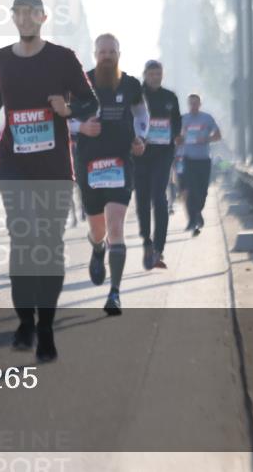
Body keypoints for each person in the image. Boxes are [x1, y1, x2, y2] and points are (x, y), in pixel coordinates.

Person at [0, 0, 98, 362]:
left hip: (54, 167)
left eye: (32, 13)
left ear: (43, 18)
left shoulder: (63, 58)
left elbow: (91, 102)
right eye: (19, 13)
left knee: (48, 245)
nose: (25, 19)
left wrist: (68, 109)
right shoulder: (0, 58)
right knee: (23, 238)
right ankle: (25, 322)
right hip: (13, 163)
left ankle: (45, 327)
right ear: (13, 18)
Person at [75, 34, 148, 315]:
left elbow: (142, 116)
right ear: (95, 54)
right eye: (102, 52)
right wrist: (82, 128)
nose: (107, 56)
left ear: (119, 54)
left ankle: (115, 293)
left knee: (116, 226)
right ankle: (97, 249)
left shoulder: (131, 85)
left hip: (120, 163)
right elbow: (64, 118)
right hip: (89, 164)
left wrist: (141, 138)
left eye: (111, 52)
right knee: (99, 230)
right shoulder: (80, 83)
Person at [133, 60, 181, 269]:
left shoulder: (170, 97)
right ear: (145, 75)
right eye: (151, 74)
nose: (155, 78)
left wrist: (176, 135)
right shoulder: (136, 96)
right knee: (142, 198)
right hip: (141, 154)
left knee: (159, 197)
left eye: (158, 74)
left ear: (163, 75)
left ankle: (159, 247)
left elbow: (177, 121)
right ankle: (147, 241)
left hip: (163, 153)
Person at [177, 94, 222, 236]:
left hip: (204, 159)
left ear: (200, 104)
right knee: (190, 189)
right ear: (188, 104)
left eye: (196, 103)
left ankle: (197, 212)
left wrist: (206, 138)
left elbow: (218, 136)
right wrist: (180, 138)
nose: (193, 106)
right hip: (188, 158)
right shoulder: (183, 119)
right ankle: (192, 220)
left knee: (202, 191)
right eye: (191, 103)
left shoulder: (207, 118)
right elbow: (176, 138)